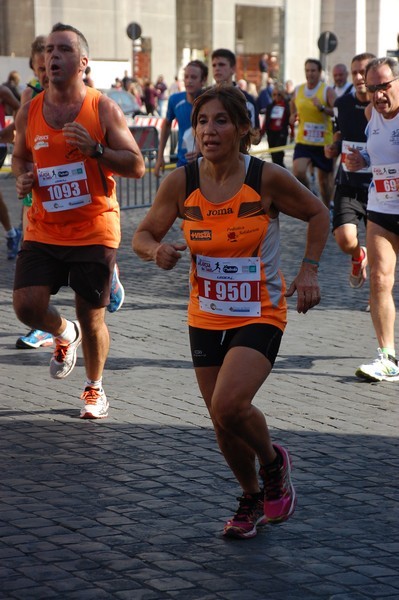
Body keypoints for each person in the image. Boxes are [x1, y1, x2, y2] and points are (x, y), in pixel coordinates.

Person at [133, 85, 330, 538]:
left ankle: (274, 463)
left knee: (229, 403)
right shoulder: (181, 181)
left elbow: (319, 214)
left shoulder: (266, 179)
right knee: (222, 422)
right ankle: (250, 497)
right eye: (202, 121)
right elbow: (142, 235)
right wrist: (156, 250)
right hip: (205, 314)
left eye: (221, 120)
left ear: (243, 129)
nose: (209, 130)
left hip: (260, 309)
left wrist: (310, 272)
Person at [11, 22, 145, 417]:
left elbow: (137, 165)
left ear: (83, 62)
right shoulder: (30, 110)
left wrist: (96, 149)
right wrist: (23, 176)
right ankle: (61, 332)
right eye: (50, 50)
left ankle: (94, 388)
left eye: (64, 50)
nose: (53, 56)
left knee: (91, 314)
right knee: (26, 306)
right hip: (44, 225)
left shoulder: (101, 108)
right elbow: (20, 155)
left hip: (93, 228)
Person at [345, 57, 399, 382]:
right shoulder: (371, 115)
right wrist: (360, 158)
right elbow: (374, 152)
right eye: (372, 88)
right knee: (380, 279)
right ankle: (388, 357)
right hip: (381, 208)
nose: (378, 95)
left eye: (384, 86)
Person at [324, 53, 376, 291]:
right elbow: (338, 133)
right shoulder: (342, 104)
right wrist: (333, 148)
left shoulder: (386, 105)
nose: (358, 77)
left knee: (381, 251)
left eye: (362, 71)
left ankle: (377, 294)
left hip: (380, 189)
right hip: (348, 183)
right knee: (345, 240)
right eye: (354, 72)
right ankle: (357, 255)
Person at [290, 58, 336, 208]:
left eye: (313, 70)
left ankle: (327, 207)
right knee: (298, 172)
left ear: (319, 72)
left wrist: (322, 108)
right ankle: (312, 199)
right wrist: (292, 115)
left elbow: (337, 112)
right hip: (304, 141)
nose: (310, 74)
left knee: (325, 182)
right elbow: (292, 103)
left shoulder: (327, 90)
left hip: (324, 143)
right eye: (307, 70)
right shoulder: (298, 90)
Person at [154, 60, 208, 177]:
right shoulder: (175, 100)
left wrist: (202, 151)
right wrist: (160, 156)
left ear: (203, 80)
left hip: (208, 164)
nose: (189, 81)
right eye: (186, 77)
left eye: (193, 77)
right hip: (183, 163)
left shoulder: (211, 102)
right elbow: (166, 125)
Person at [211, 48, 261, 142]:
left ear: (233, 69)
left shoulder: (247, 100)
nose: (217, 68)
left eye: (221, 64)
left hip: (237, 154)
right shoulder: (204, 98)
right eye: (214, 65)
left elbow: (256, 138)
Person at [0, 83, 21, 259]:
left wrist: (12, 130)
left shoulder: (2, 91)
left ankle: (12, 234)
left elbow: (21, 111)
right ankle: (11, 234)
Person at [260, 84, 291, 168]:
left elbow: (290, 121)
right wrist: (261, 133)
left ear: (282, 95)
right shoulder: (270, 106)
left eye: (279, 94)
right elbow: (266, 121)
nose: (276, 96)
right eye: (274, 94)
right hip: (271, 133)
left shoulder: (286, 106)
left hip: (281, 134)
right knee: (273, 156)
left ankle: (284, 176)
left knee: (278, 157)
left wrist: (292, 134)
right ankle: (278, 176)